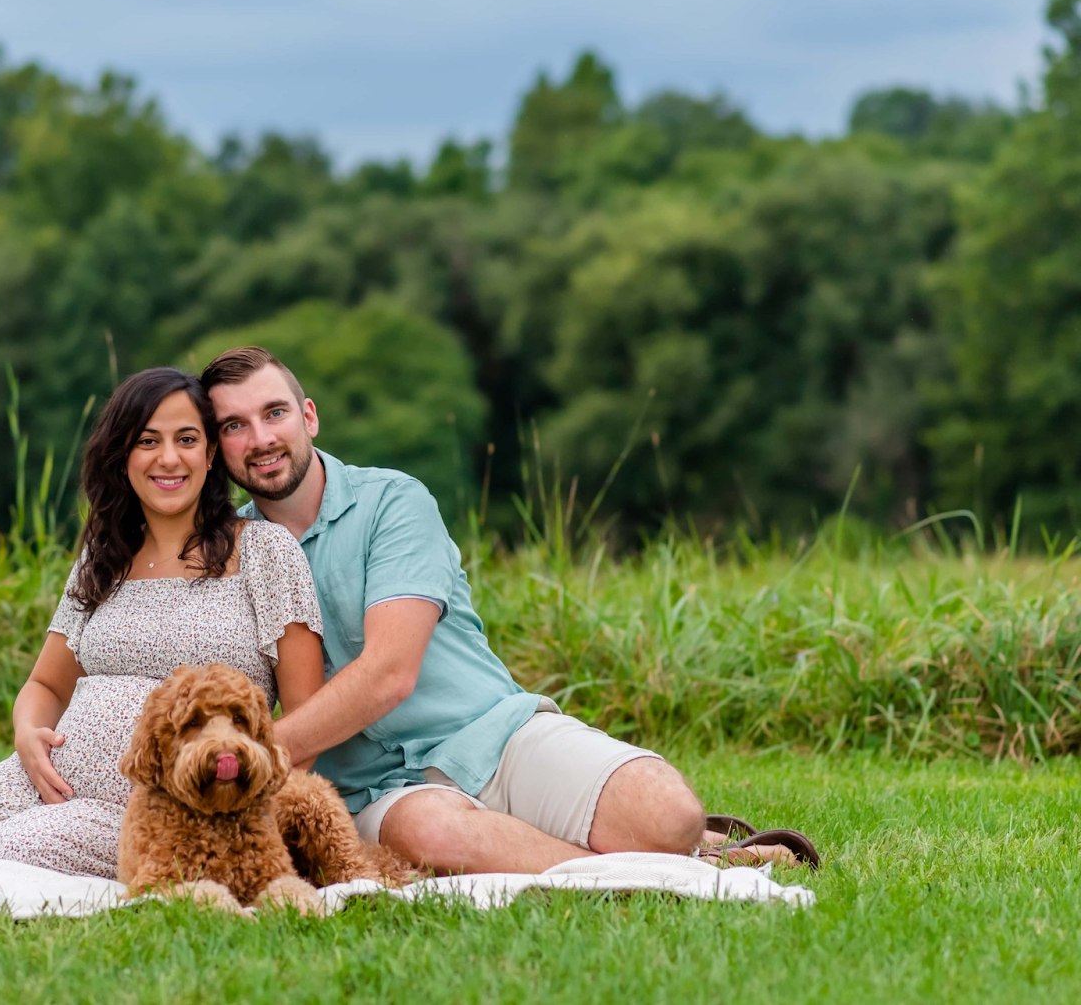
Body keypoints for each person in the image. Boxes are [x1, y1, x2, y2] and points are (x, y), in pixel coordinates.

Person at [201, 346, 807, 874]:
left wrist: (249, 758)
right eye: (234, 425)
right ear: (216, 447)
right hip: (377, 792)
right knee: (431, 833)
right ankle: (687, 868)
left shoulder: (393, 503)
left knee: (668, 813)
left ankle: (678, 847)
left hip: (493, 734)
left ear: (307, 416)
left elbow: (390, 673)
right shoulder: (231, 553)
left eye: (274, 413)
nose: (260, 440)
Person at [0, 367, 325, 878]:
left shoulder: (263, 551)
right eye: (148, 441)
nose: (169, 458)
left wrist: (234, 819)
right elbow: (46, 683)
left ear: (209, 455)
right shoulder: (105, 558)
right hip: (44, 779)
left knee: (7, 855)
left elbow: (307, 720)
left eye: (187, 439)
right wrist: (28, 734)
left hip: (160, 808)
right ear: (123, 458)